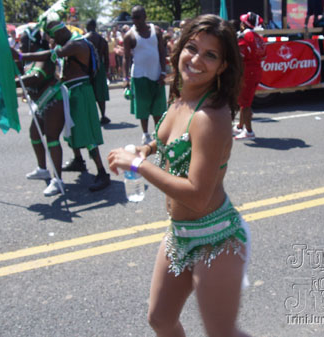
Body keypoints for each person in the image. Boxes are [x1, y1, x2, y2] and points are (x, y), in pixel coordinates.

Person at [108, 14, 251, 337]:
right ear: (179, 48)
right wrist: (146, 150)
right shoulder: (180, 99)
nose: (197, 59)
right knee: (160, 319)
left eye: (210, 55)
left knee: (221, 332)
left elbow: (199, 197)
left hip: (217, 237)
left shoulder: (210, 117)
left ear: (223, 66)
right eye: (192, 48)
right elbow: (166, 141)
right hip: (180, 233)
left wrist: (137, 166)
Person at [17, 19, 111, 195]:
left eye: (53, 38)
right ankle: (78, 160)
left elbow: (52, 54)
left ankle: (102, 172)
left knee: (86, 132)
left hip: (81, 91)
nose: (52, 41)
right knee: (72, 129)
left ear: (59, 34)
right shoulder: (71, 41)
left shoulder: (75, 44)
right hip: (72, 90)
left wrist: (22, 56)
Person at [15, 26, 60, 192]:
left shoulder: (43, 55)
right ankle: (43, 169)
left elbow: (37, 77)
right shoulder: (29, 59)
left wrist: (13, 83)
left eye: (22, 42)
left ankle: (58, 180)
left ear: (32, 42)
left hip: (53, 101)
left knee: (52, 139)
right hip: (40, 104)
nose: (20, 46)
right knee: (34, 134)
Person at [123, 5, 167, 145]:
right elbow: (126, 58)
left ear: (145, 17)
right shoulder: (129, 35)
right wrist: (126, 79)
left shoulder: (156, 31)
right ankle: (145, 134)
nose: (135, 20)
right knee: (142, 108)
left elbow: (162, 52)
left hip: (156, 74)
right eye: (133, 17)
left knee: (158, 107)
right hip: (139, 76)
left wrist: (163, 72)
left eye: (138, 17)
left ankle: (158, 133)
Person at [232, 12, 267, 141]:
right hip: (256, 71)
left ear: (244, 24)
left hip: (247, 72)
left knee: (245, 103)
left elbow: (240, 57)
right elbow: (264, 54)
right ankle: (240, 126)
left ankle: (249, 131)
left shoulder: (243, 37)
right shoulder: (257, 37)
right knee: (244, 101)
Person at [85, 19, 111, 125]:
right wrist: (107, 71)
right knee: (100, 94)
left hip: (87, 68)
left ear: (88, 26)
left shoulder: (84, 39)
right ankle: (103, 115)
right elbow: (107, 58)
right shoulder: (102, 40)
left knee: (89, 93)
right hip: (100, 69)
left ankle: (91, 117)